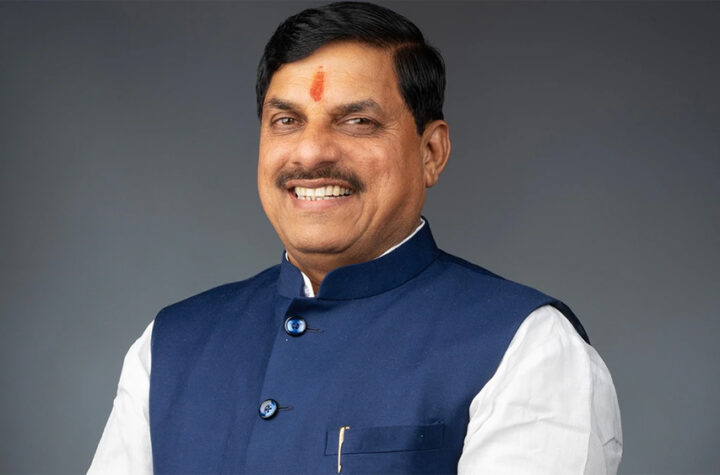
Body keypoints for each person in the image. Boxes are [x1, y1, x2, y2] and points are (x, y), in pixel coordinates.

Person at [89, 2, 622, 473]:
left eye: (358, 121)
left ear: (431, 152)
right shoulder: (169, 345)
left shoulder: (527, 346)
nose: (311, 153)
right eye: (286, 121)